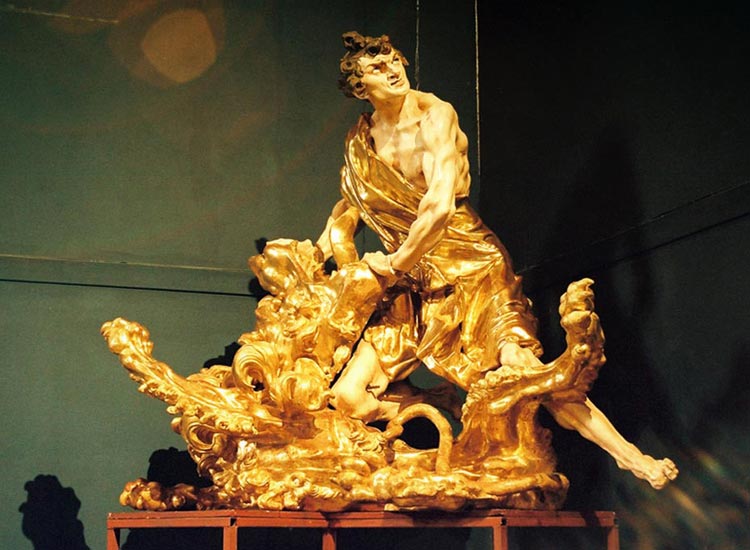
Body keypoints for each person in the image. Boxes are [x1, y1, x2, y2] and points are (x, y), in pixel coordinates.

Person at [316, 31, 677, 489]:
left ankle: (630, 457)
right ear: (358, 88)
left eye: (392, 60)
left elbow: (438, 207)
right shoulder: (361, 140)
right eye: (376, 68)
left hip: (472, 268)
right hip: (413, 281)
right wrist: (319, 253)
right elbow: (352, 203)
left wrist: (394, 264)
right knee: (348, 398)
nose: (391, 70)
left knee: (524, 372)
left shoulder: (434, 117)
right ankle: (444, 404)